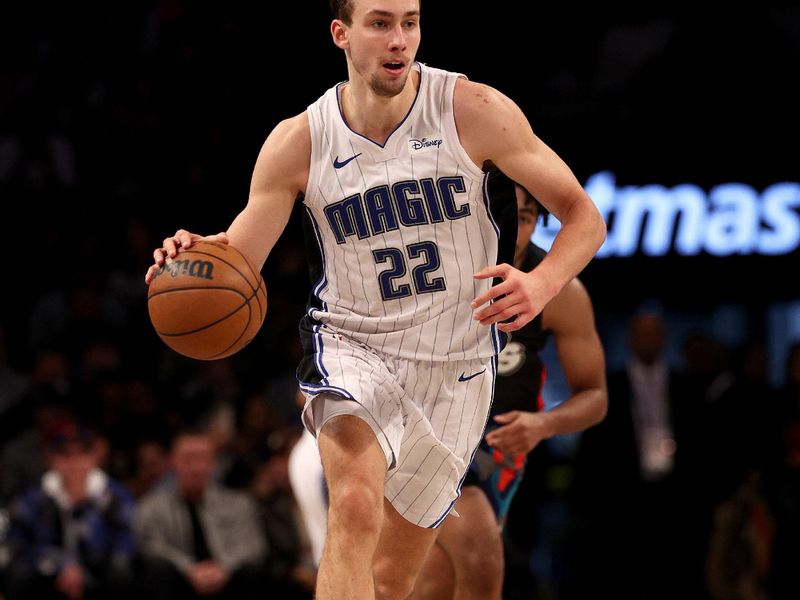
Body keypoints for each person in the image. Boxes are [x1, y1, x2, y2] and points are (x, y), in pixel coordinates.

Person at [145, 1, 606, 597]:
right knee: (356, 506)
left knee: (391, 582)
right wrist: (195, 255)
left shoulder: (474, 109)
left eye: (410, 22)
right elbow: (238, 255)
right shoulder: (298, 142)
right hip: (353, 347)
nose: (399, 39)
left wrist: (541, 283)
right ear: (341, 34)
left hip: (456, 365)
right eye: (381, 23)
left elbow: (583, 216)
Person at [410, 172, 608, 599]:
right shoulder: (435, 268)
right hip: (425, 437)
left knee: (434, 585)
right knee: (479, 556)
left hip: (495, 451)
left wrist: (542, 426)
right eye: (505, 212)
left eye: (527, 216)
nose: (515, 227)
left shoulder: (561, 290)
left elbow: (596, 397)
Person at [3, 419, 135, 600]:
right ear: (52, 460)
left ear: (94, 458)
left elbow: (124, 541)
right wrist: (62, 565)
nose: (74, 463)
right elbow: (19, 542)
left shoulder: (114, 496)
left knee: (121, 571)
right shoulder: (36, 498)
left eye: (81, 454)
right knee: (20, 572)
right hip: (49, 576)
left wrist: (85, 566)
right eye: (65, 455)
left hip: (97, 574)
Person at [133, 428, 268, 600]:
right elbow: (150, 547)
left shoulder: (239, 504)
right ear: (173, 461)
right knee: (156, 570)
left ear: (213, 462)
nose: (196, 467)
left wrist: (224, 568)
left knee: (253, 572)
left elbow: (254, 546)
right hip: (179, 581)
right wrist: (189, 568)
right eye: (188, 459)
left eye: (203, 459)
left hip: (227, 579)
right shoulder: (151, 507)